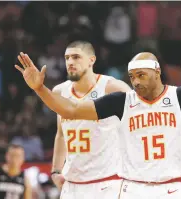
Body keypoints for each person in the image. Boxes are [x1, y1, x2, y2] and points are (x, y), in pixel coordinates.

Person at [15, 21, 181, 199]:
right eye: (132, 76)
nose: (136, 81)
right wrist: (41, 90)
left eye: (141, 75)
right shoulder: (122, 101)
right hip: (132, 189)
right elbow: (71, 110)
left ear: (157, 72)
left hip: (172, 189)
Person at [47, 41, 131, 199]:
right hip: (72, 184)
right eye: (67, 58)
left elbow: (140, 119)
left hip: (106, 182)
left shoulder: (112, 87)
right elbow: (61, 134)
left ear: (91, 60)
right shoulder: (59, 91)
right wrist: (56, 171)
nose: (70, 62)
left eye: (76, 57)